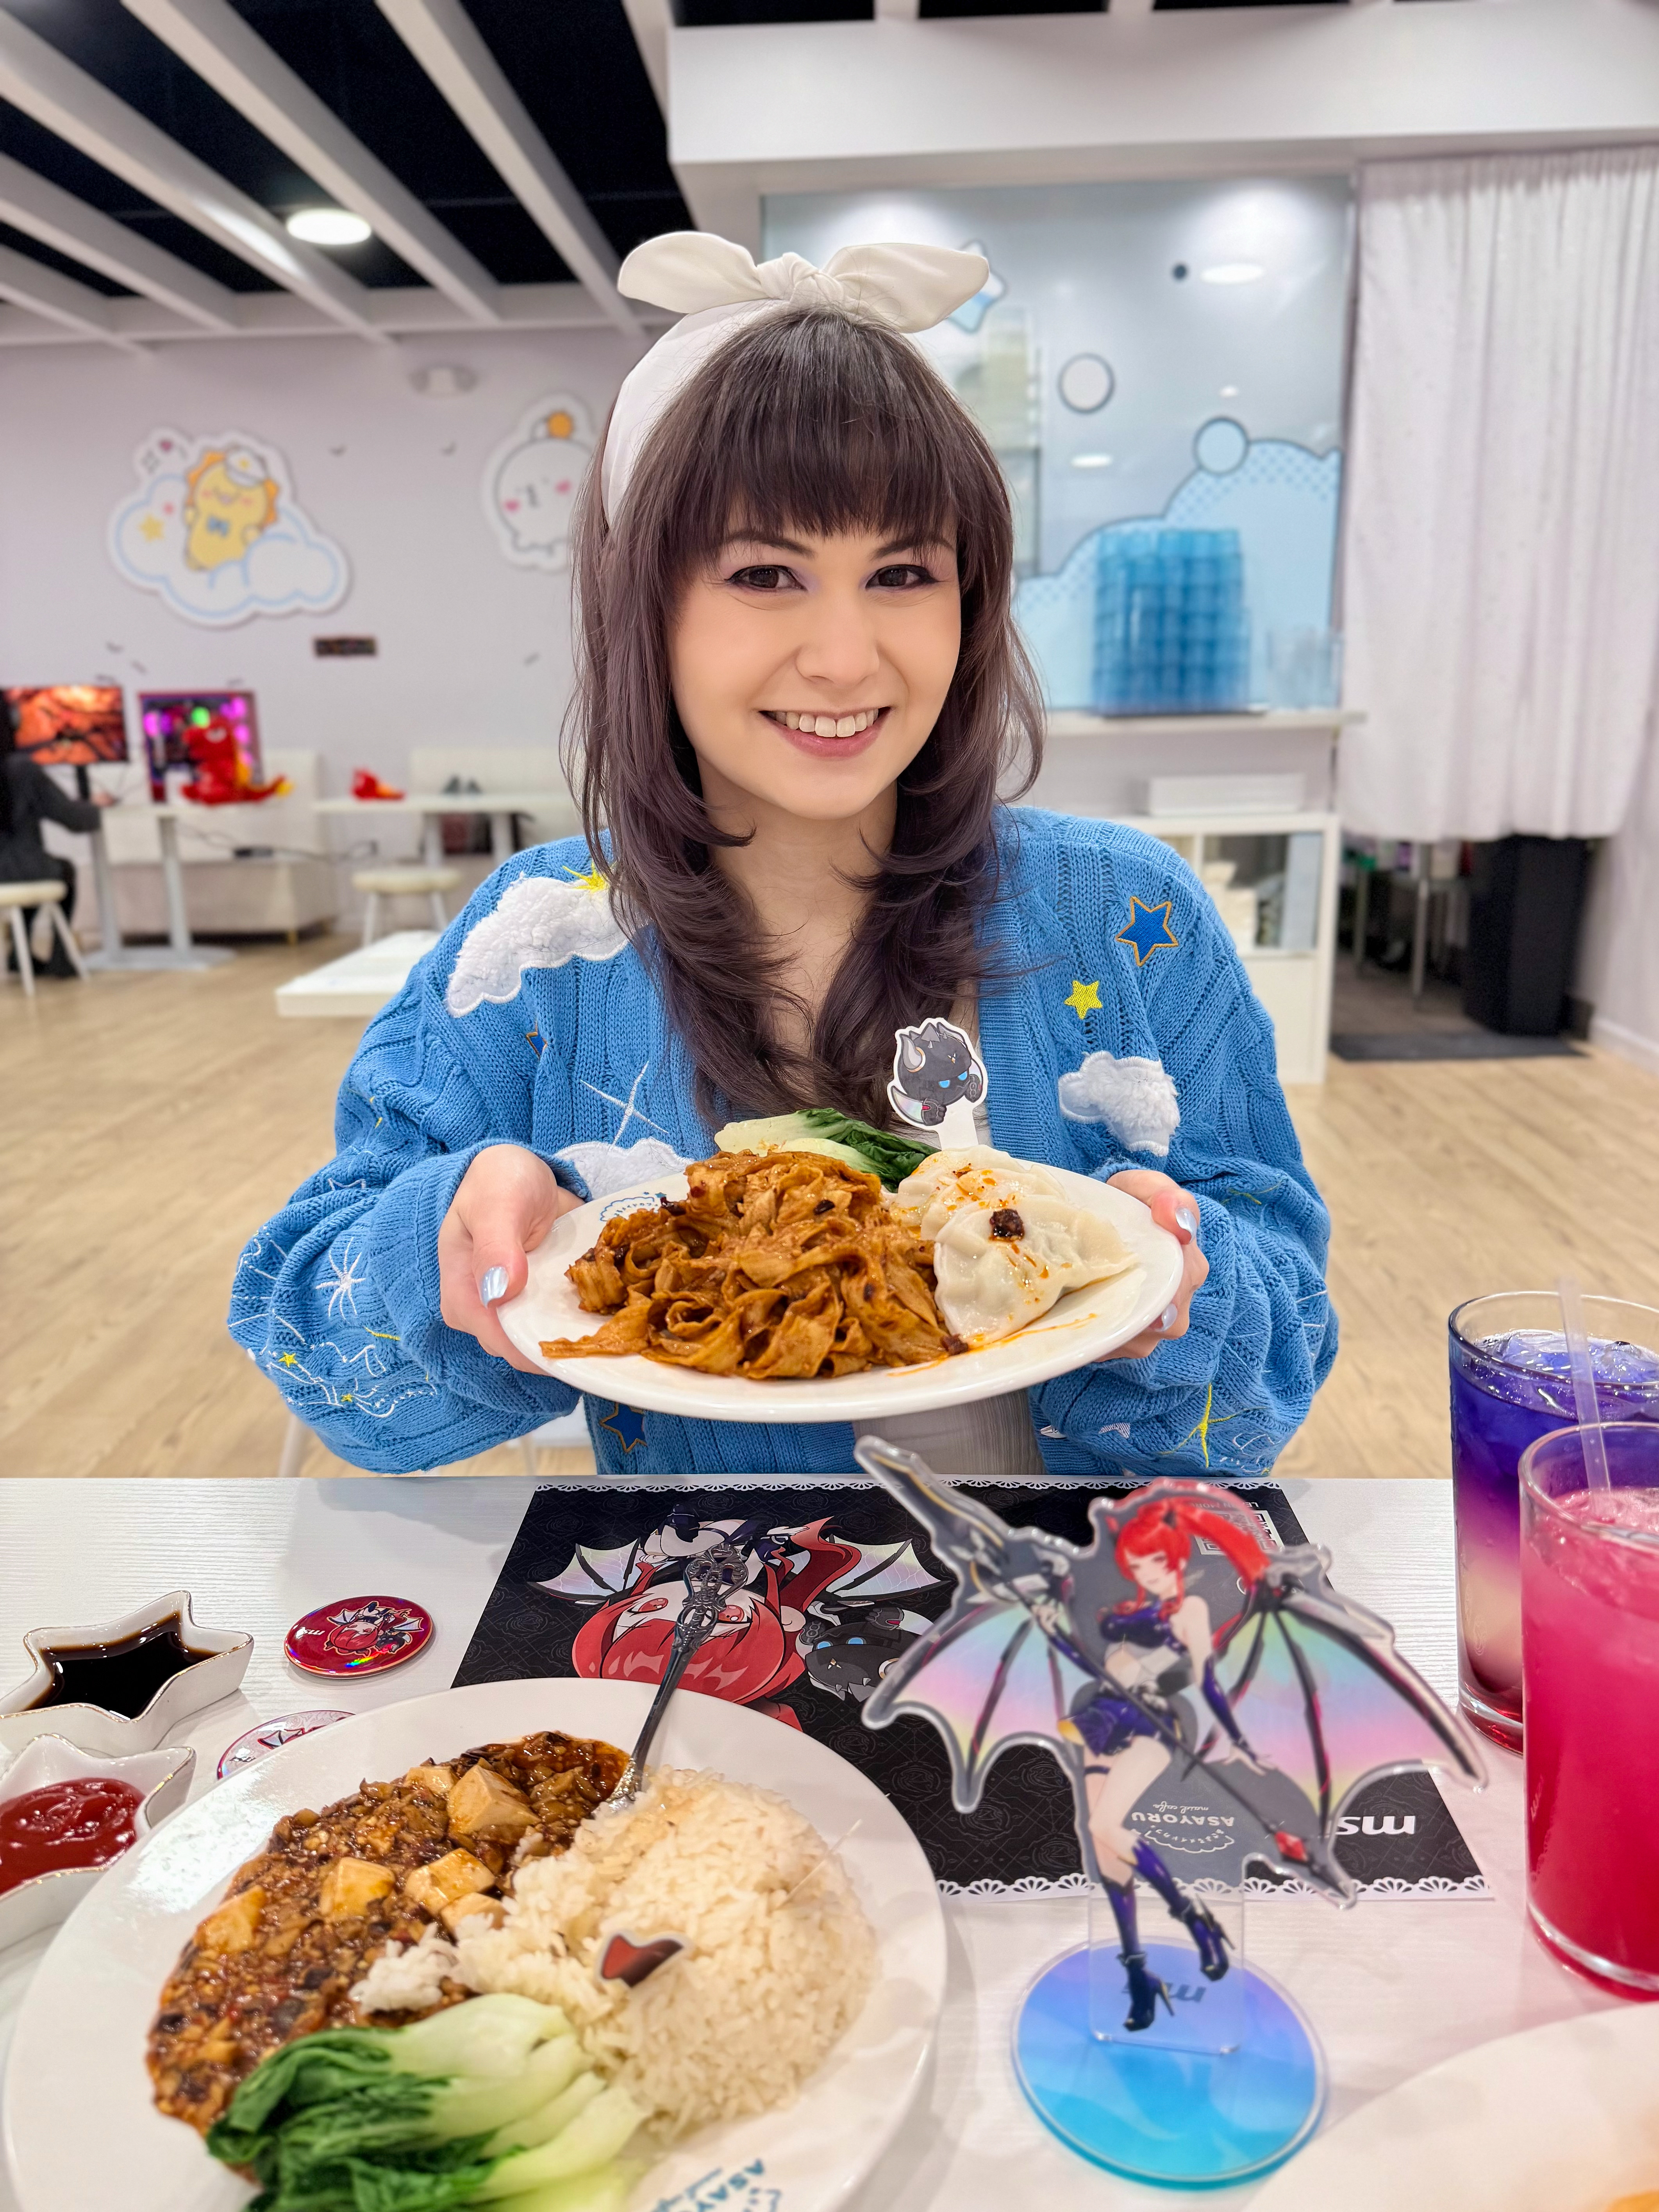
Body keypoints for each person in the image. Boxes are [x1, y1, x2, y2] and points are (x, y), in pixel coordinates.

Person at [232, 233, 1337, 1479]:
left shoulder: (1127, 914)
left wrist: (1173, 1280)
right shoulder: (535, 945)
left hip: (1070, 1590)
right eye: (764, 572)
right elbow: (320, 1358)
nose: (844, 656)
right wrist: (452, 1228)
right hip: (702, 1589)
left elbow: (1280, 1359)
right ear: (643, 603)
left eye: (902, 572)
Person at [0, 697, 111, 975]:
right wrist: (94, 806)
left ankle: (20, 952)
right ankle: (60, 956)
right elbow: (73, 819)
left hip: (14, 869)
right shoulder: (21, 770)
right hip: (17, 869)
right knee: (59, 870)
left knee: (37, 868)